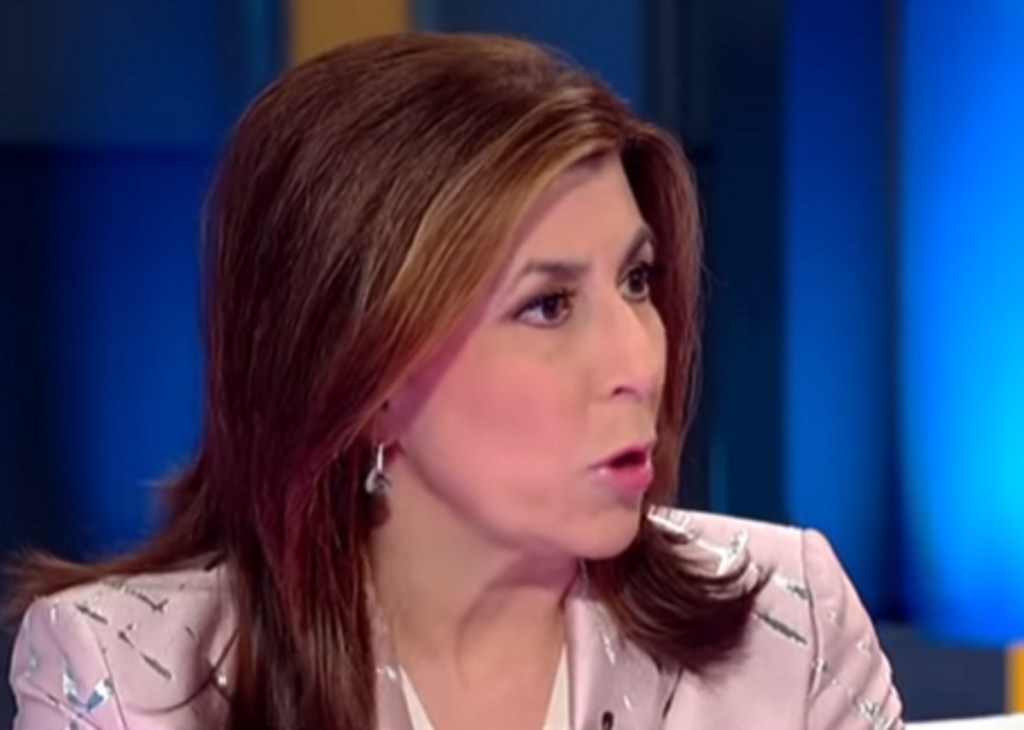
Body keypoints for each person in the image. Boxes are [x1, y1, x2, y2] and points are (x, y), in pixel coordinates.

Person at [5, 33, 902, 730]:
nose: (639, 363)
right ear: (363, 374)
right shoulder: (125, 678)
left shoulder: (787, 618)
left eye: (637, 281)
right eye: (547, 306)